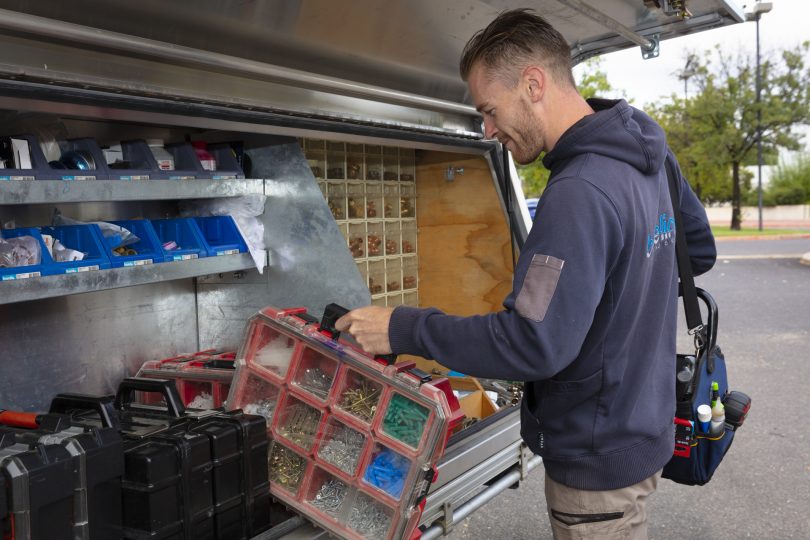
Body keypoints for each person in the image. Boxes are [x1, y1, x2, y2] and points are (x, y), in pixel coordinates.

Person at [336, 8, 716, 539]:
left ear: (533, 84)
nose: (488, 131)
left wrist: (402, 328)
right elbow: (696, 252)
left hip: (595, 458)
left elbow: (532, 345)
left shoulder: (579, 191)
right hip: (642, 425)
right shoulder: (649, 155)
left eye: (490, 111)